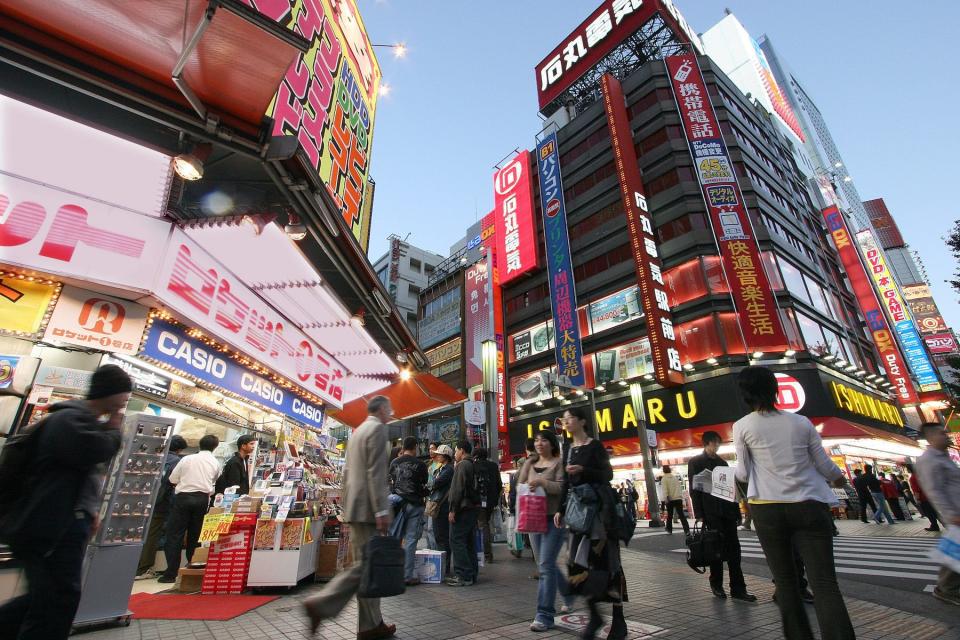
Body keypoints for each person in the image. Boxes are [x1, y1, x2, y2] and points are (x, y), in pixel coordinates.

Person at [0, 364, 129, 640]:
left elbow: (79, 472)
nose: (124, 402)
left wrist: (89, 510)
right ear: (111, 392)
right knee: (57, 599)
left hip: (61, 522)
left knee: (49, 597)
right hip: (51, 525)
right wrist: (115, 428)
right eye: (123, 394)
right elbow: (96, 450)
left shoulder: (80, 421)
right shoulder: (69, 420)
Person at [733, 366, 853, 640]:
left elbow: (741, 473)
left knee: (785, 582)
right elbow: (824, 465)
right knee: (824, 583)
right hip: (809, 505)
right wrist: (839, 481)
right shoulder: (801, 422)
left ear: (745, 393)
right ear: (775, 389)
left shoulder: (742, 426)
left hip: (767, 509)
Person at [304, 396, 396, 640]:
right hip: (368, 510)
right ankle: (321, 603)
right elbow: (375, 472)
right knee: (366, 566)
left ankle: (370, 625)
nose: (392, 413)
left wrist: (346, 505)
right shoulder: (376, 429)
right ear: (382, 409)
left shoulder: (357, 432)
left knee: (368, 566)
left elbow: (346, 473)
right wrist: (381, 510)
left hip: (355, 508)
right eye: (390, 409)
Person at [556, 407, 627, 640]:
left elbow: (607, 474)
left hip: (598, 516)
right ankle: (594, 614)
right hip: (577, 517)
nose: (566, 422)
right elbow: (566, 482)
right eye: (564, 419)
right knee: (578, 565)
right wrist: (560, 509)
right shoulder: (567, 448)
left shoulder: (594, 446)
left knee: (607, 564)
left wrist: (584, 470)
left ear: (582, 421)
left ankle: (619, 620)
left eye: (570, 418)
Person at [688, 430, 757, 603]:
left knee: (734, 551)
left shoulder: (723, 463)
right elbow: (694, 489)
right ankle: (716, 584)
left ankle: (738, 588)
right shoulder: (695, 462)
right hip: (711, 513)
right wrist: (699, 514)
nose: (717, 446)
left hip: (727, 511)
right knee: (715, 550)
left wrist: (737, 512)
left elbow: (731, 490)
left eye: (718, 443)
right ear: (707, 443)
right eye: (714, 443)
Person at [518, 430, 572, 631]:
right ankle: (568, 592)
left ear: (552, 444)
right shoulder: (530, 463)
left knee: (546, 565)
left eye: (544, 440)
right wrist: (526, 479)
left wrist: (541, 482)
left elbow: (561, 488)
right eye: (537, 440)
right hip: (532, 518)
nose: (539, 443)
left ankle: (544, 615)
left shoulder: (559, 463)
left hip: (553, 519)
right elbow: (519, 484)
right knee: (544, 565)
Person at [158, 433, 221, 583]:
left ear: (200, 444)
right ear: (215, 447)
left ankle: (171, 573)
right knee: (195, 535)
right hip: (202, 499)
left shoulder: (187, 459)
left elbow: (172, 479)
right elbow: (214, 479)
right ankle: (192, 568)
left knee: (174, 535)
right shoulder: (215, 462)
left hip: (183, 498)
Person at [915, 422, 960, 606]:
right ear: (931, 437)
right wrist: (951, 515)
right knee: (954, 553)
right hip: (955, 514)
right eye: (942, 433)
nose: (947, 435)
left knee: (955, 552)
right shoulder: (928, 460)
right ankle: (946, 589)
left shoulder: (943, 456)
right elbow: (934, 490)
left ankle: (946, 588)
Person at [136, 434, 188, 579]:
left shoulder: (158, 457)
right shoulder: (177, 461)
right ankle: (159, 568)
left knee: (150, 532)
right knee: (171, 534)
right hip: (168, 503)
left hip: (149, 500)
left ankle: (143, 565)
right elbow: (175, 482)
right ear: (179, 449)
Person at [389, 436, 429, 586]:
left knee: (395, 538)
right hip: (415, 505)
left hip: (397, 504)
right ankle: (407, 575)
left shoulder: (394, 462)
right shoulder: (421, 464)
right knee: (411, 540)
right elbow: (424, 482)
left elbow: (392, 480)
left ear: (403, 447)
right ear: (415, 447)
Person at [446, 440, 480, 586]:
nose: (455, 454)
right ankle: (472, 573)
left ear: (462, 450)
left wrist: (453, 509)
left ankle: (463, 575)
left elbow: (457, 490)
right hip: (472, 508)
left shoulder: (462, 465)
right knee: (469, 542)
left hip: (462, 508)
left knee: (456, 540)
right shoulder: (473, 464)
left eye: (456, 450)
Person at [429, 445, 455, 576]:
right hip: (440, 505)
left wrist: (432, 481)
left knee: (442, 536)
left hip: (443, 507)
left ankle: (445, 567)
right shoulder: (443, 468)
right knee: (439, 535)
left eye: (439, 454)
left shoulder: (448, 469)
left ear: (445, 456)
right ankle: (444, 566)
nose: (437, 456)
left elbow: (435, 483)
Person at [474, 447, 503, 564]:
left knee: (482, 524)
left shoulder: (474, 466)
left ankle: (486, 554)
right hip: (491, 501)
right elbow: (499, 484)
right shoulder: (494, 466)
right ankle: (486, 553)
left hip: (478, 500)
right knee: (485, 522)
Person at [907, 464, 943, 532]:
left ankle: (936, 526)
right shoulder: (922, 475)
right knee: (934, 512)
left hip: (923, 498)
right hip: (930, 496)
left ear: (909, 470)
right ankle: (941, 525)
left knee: (929, 513)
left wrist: (917, 499)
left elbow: (917, 490)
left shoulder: (913, 478)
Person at [661, 465, 689, 535]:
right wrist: (681, 497)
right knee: (681, 515)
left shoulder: (664, 479)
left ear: (664, 471)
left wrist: (666, 498)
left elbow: (665, 489)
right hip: (678, 498)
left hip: (670, 499)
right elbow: (679, 488)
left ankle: (669, 530)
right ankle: (687, 530)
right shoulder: (674, 478)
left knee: (670, 515)